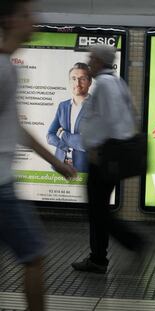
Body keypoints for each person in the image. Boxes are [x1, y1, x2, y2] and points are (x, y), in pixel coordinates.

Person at [0, 1, 77, 310]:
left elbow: (16, 128)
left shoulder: (8, 67)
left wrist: (55, 161)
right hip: (1, 187)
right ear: (9, 20)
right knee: (34, 256)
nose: (35, 21)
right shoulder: (3, 70)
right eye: (27, 15)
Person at [71, 44, 146, 274]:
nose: (89, 62)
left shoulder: (104, 84)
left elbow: (112, 120)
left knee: (97, 210)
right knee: (98, 209)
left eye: (92, 58)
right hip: (109, 154)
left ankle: (128, 243)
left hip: (103, 157)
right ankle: (98, 257)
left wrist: (98, 147)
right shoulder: (117, 82)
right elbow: (132, 113)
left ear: (100, 61)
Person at [47, 62, 92, 173]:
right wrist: (64, 147)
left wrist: (63, 135)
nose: (77, 83)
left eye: (82, 79)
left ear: (90, 82)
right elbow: (50, 135)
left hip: (83, 169)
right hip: (60, 166)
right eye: (74, 78)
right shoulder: (63, 106)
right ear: (69, 81)